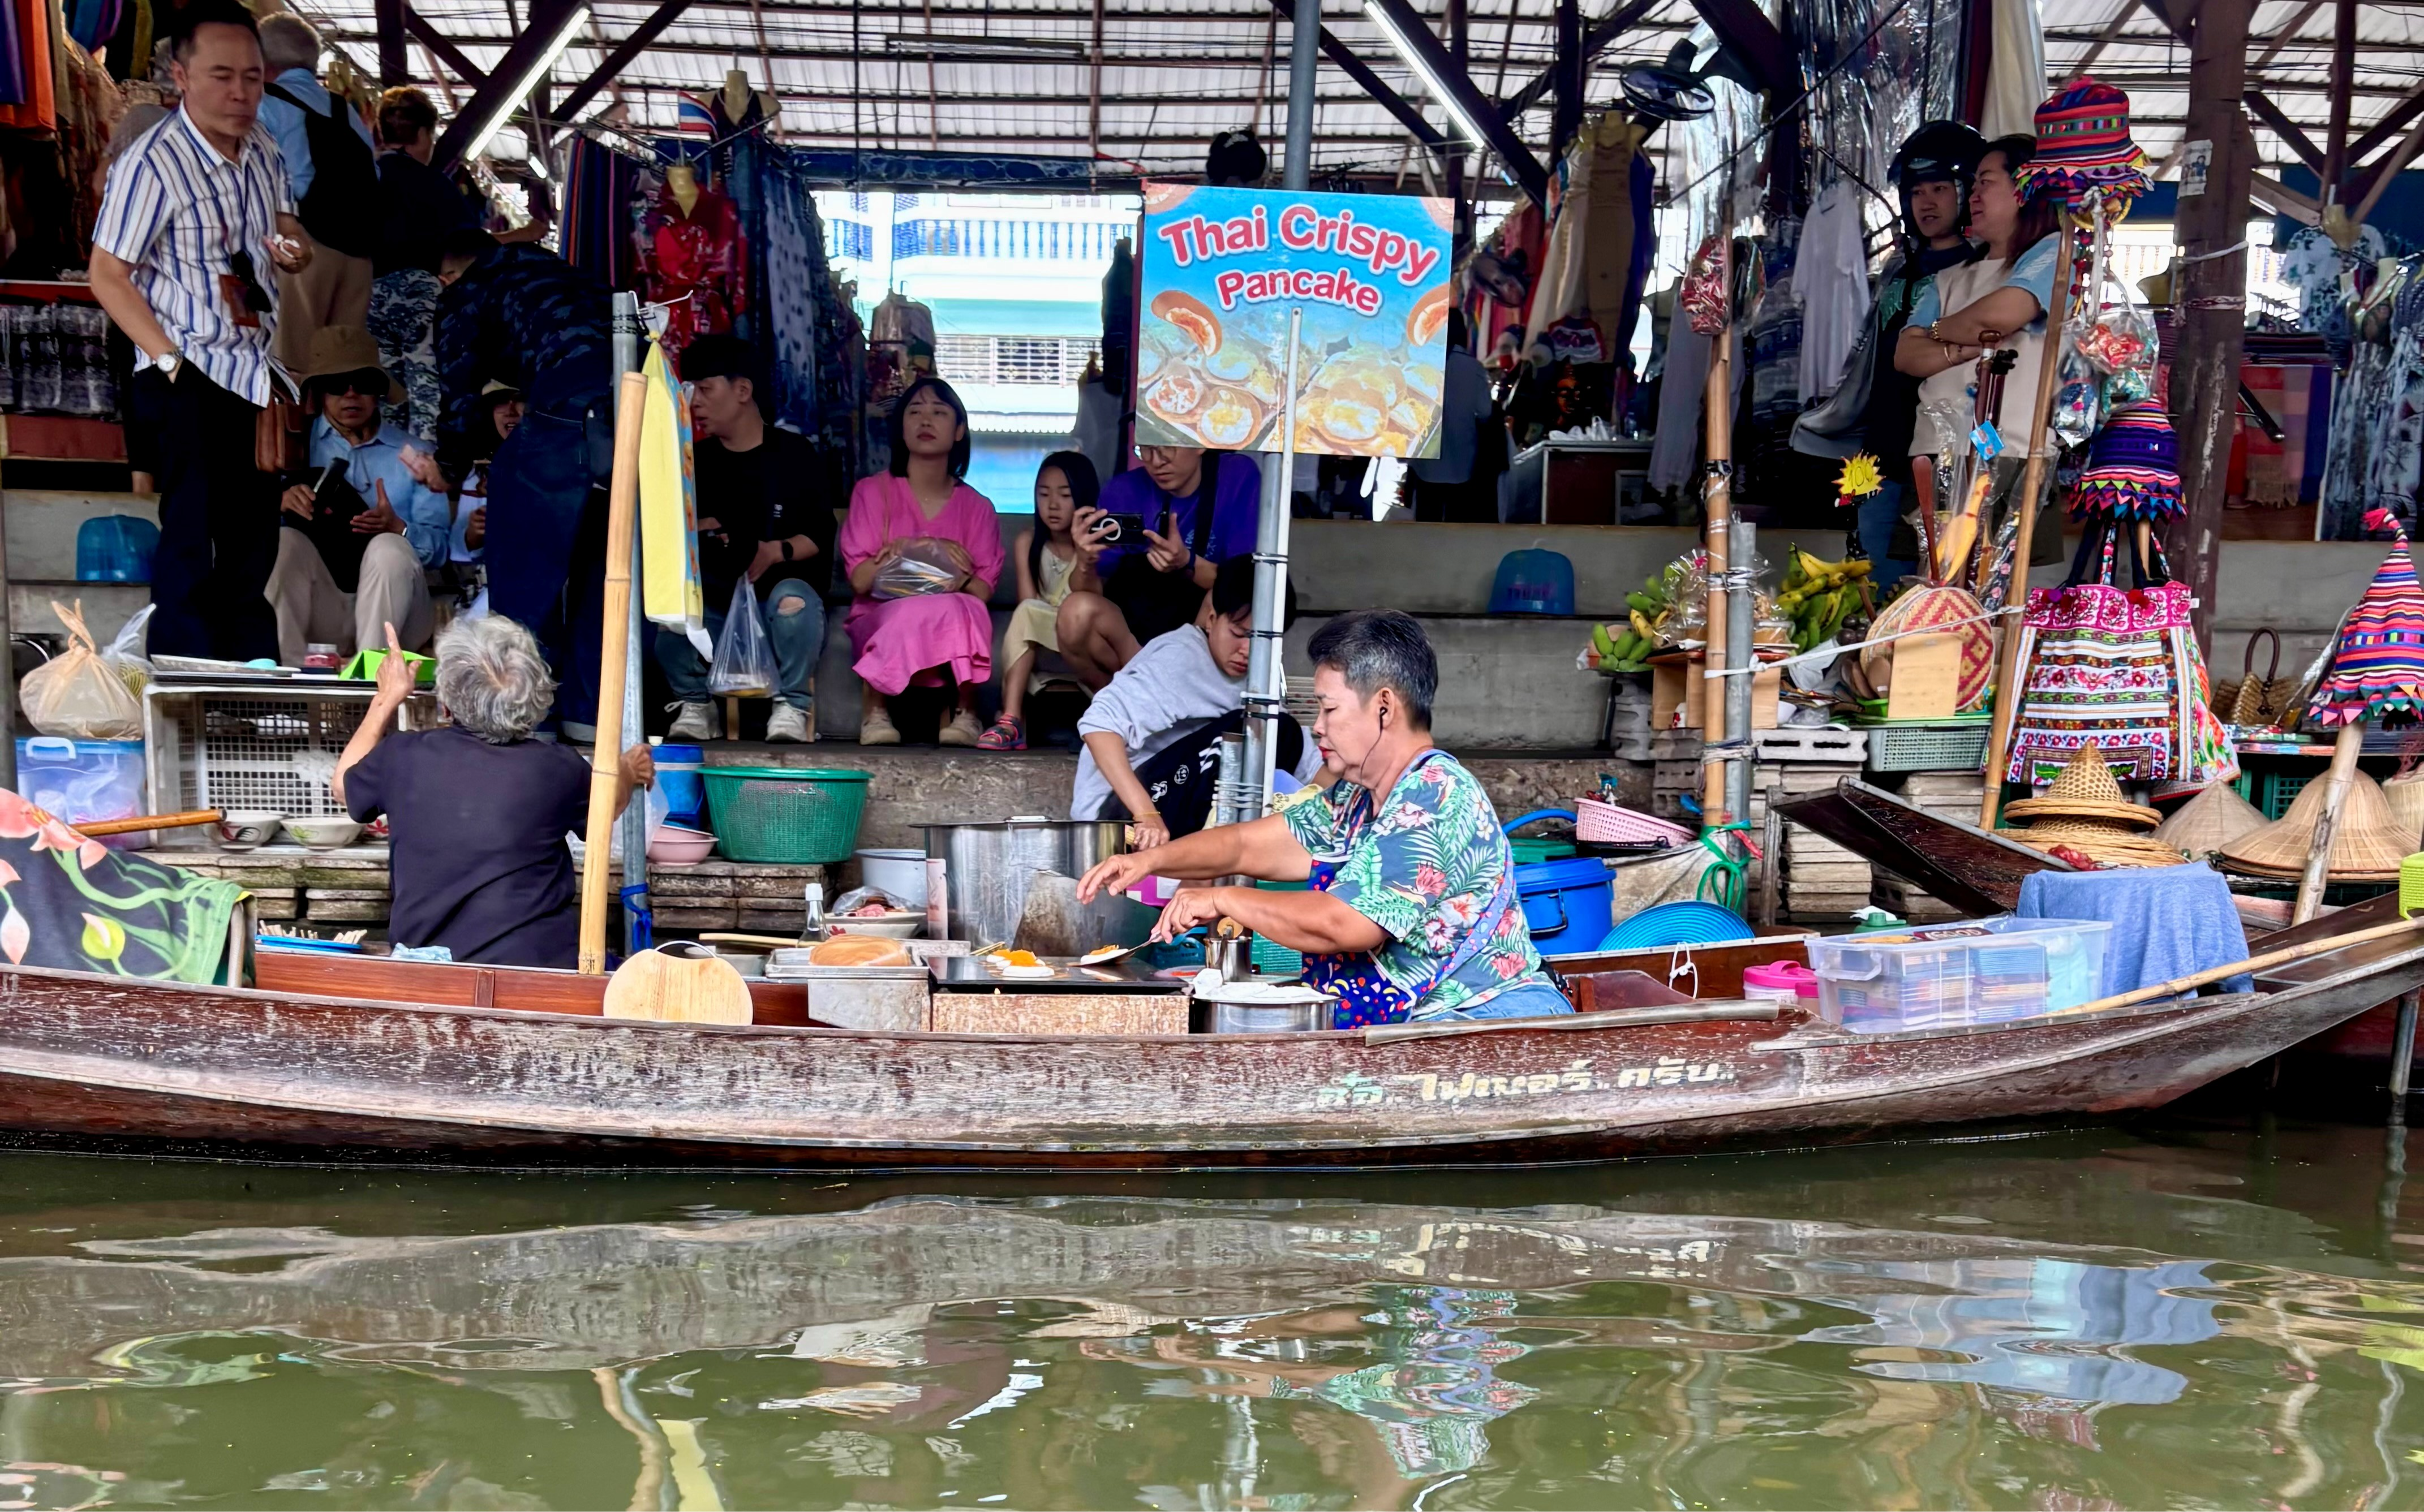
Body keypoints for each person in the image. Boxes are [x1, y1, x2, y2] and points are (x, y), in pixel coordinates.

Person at [1078, 610, 1570, 1026]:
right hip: (1421, 1020)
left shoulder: (1433, 795)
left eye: (1329, 708)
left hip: (1485, 1020)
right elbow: (1249, 845)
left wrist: (1223, 897)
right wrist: (1151, 861)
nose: (1317, 727)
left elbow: (1345, 925)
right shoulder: (1357, 798)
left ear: (1383, 708)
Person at [88, 0, 312, 662]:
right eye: (222, 75)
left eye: (251, 76)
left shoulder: (265, 148)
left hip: (251, 368)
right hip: (187, 370)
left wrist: (292, 249)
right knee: (190, 539)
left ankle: (249, 680)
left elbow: (285, 227)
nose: (241, 92)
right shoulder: (151, 162)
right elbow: (107, 273)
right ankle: (185, 686)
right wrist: (167, 362)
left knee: (252, 545)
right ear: (180, 76)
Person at [334, 615, 653, 968]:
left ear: (447, 702)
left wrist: (386, 698)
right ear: (537, 699)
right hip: (538, 969)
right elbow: (609, 805)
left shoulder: (402, 755)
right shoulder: (559, 767)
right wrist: (625, 771)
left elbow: (343, 787)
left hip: (431, 968)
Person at [435, 228, 613, 735]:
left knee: (522, 565)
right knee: (604, 566)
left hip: (565, 407)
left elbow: (462, 396)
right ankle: (587, 715)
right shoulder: (558, 270)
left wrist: (446, 467)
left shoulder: (467, 292)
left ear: (447, 274)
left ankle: (521, 715)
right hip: (635, 408)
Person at [1797, 121, 1984, 585]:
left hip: (1942, 457)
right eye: (1917, 190)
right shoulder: (1898, 271)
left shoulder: (1980, 274)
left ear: (1967, 193)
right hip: (1876, 455)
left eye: (1941, 188)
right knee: (1865, 576)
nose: (1927, 202)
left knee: (1931, 588)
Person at [1894, 133, 2069, 569]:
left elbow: (2003, 312)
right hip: (1936, 452)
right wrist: (1966, 346)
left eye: (1985, 182)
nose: (1973, 194)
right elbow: (1906, 356)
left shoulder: (2055, 254)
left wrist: (1942, 334)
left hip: (2011, 455)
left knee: (1999, 596)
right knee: (1935, 596)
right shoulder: (1950, 277)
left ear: (2024, 187)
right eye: (1972, 185)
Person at [661, 334, 839, 744]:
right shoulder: (695, 462)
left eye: (705, 389)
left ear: (742, 390)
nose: (696, 403)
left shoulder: (794, 455)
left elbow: (820, 533)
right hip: (718, 605)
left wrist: (776, 551)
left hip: (778, 601)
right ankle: (696, 705)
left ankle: (792, 706)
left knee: (794, 602)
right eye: (691, 392)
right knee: (673, 616)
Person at [1069, 554, 1324, 839]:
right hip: (1118, 818)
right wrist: (1145, 815)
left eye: (1263, 641)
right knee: (1251, 732)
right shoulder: (1180, 658)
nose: (1249, 651)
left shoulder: (1263, 676)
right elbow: (1099, 726)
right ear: (1213, 619)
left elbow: (1306, 762)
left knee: (1281, 732)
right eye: (1239, 633)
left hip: (1176, 812)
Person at [265, 325, 451, 662]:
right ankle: (290, 690)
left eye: (363, 384)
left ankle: (370, 685)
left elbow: (440, 550)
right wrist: (279, 503)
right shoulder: (292, 448)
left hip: (401, 616)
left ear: (378, 391)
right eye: (338, 385)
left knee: (389, 548)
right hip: (324, 607)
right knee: (284, 542)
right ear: (321, 392)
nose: (351, 395)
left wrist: (399, 528)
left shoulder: (417, 455)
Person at [839, 376, 1003, 746]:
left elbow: (980, 591)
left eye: (939, 412)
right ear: (901, 427)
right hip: (880, 619)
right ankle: (876, 713)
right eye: (914, 412)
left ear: (959, 430)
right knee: (905, 611)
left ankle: (968, 713)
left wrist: (919, 557)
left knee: (968, 609)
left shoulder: (978, 508)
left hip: (950, 619)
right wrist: (928, 551)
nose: (925, 421)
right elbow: (862, 582)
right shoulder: (871, 492)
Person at [1056, 443, 1262, 688]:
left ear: (1198, 444)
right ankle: (1129, 699)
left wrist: (1187, 562)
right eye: (1146, 450)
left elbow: (1244, 587)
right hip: (1131, 634)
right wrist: (1085, 562)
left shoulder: (1237, 477)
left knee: (1221, 602)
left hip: (1195, 634)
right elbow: (1091, 592)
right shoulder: (1123, 490)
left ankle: (1154, 692)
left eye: (1167, 448)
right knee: (1074, 612)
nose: (1156, 461)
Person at [256, 12, 375, 374]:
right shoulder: (346, 111)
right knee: (341, 371)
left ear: (263, 60)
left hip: (301, 247)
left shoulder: (266, 103)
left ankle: (294, 432)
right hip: (358, 255)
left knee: (292, 367)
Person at [367, 85, 475, 439]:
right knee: (427, 391)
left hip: (368, 295)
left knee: (385, 390)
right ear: (426, 133)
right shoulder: (438, 186)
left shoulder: (365, 177)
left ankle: (388, 464)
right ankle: (425, 467)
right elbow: (467, 245)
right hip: (423, 294)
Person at [981, 449, 1099, 751]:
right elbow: (1027, 605)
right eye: (1044, 494)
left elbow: (1098, 604)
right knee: (1027, 611)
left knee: (1033, 614)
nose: (1053, 505)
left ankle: (1009, 717)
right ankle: (1011, 719)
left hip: (1084, 644)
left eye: (1065, 494)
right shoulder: (1028, 542)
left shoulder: (1097, 547)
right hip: (1040, 644)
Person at [1408, 311, 1503, 523]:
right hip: (1463, 460)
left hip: (1426, 461)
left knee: (1426, 523)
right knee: (1456, 524)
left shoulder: (1423, 362)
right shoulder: (1473, 367)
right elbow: (1485, 411)